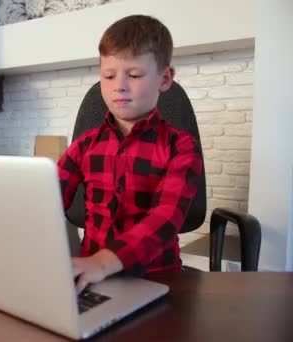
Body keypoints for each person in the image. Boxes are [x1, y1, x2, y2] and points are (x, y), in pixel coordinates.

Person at [57, 15, 203, 293]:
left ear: (165, 78)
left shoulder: (181, 147)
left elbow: (166, 217)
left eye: (134, 75)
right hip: (92, 278)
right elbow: (47, 197)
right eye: (108, 75)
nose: (119, 85)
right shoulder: (84, 145)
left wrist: (105, 261)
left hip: (158, 278)